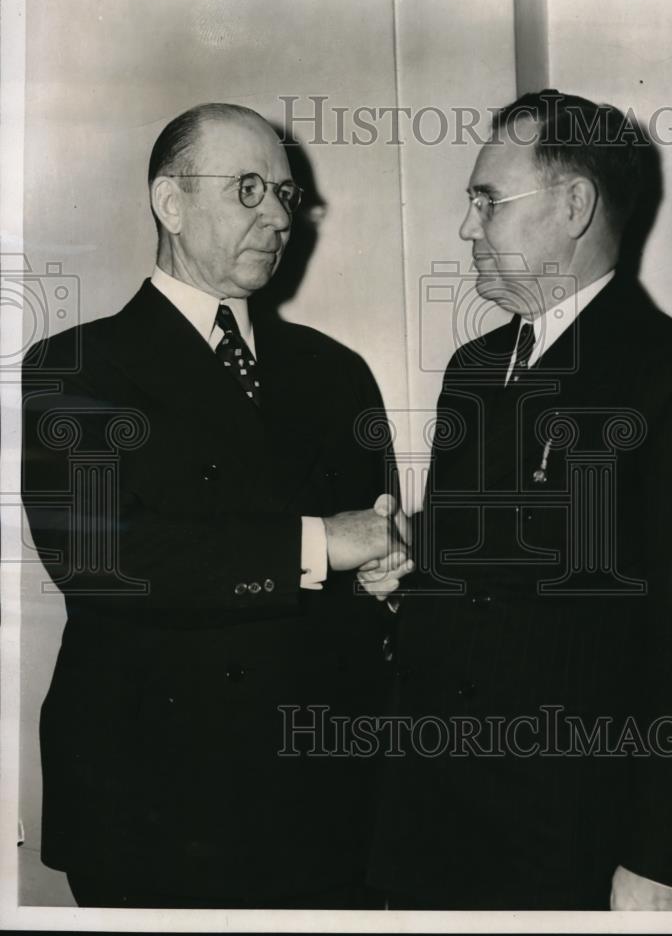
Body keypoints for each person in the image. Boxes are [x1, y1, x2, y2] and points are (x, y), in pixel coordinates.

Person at [363, 90, 672, 910]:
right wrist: (409, 571)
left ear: (574, 205)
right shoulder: (474, 369)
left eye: (486, 201)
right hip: (435, 821)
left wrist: (664, 864)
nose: (465, 228)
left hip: (576, 840)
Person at [22, 102, 406, 909]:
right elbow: (98, 561)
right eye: (247, 189)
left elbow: (364, 549)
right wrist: (314, 547)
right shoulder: (78, 368)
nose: (277, 215)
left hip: (324, 797)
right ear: (170, 202)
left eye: (285, 194)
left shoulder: (335, 372)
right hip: (157, 800)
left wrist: (387, 574)